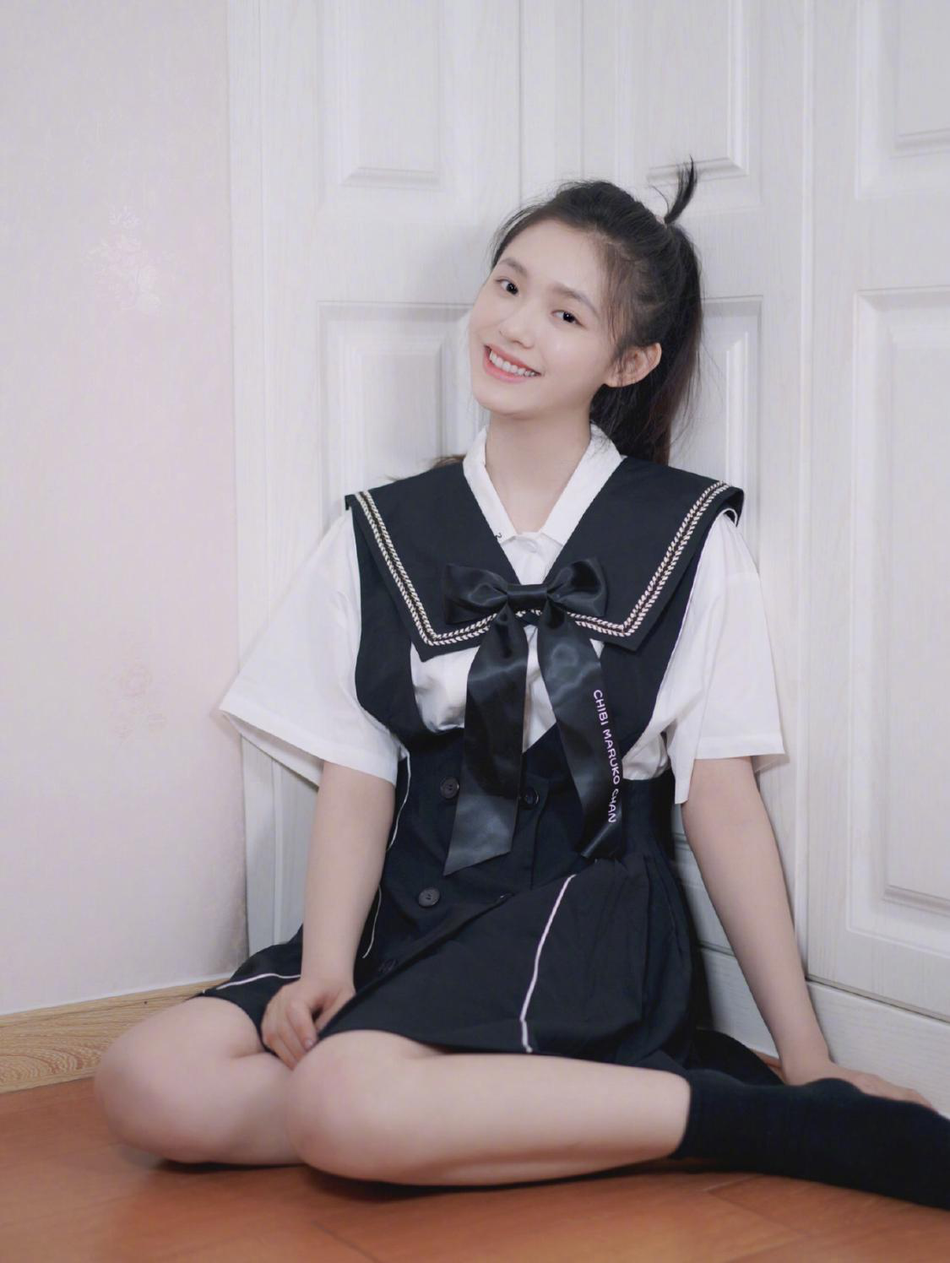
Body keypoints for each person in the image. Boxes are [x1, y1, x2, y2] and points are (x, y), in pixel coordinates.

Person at [94, 163, 950, 1210]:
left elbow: (721, 803)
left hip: (583, 910)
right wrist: (326, 967)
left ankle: (769, 1121)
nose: (514, 325)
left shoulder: (686, 534)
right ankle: (449, 1103)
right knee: (149, 1083)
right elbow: (358, 772)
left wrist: (805, 1053)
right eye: (507, 284)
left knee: (338, 1099)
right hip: (416, 902)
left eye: (564, 312)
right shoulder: (385, 529)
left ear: (627, 360)